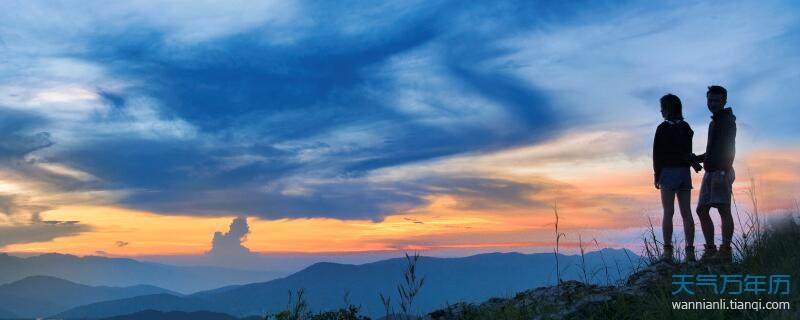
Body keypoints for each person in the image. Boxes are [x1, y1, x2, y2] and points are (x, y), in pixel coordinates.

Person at [693, 85, 737, 263]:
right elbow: (712, 150)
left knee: (723, 208)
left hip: (720, 171)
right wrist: (698, 158)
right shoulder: (715, 122)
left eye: (717, 100)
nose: (713, 103)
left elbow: (728, 148)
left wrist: (723, 169)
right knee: (702, 209)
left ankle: (725, 249)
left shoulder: (727, 121)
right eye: (710, 100)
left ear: (724, 101)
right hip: (711, 171)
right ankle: (711, 249)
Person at [653, 94, 697, 262]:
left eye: (662, 108)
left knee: (668, 212)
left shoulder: (662, 128)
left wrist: (657, 175)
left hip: (668, 173)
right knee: (687, 213)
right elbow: (687, 152)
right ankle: (690, 251)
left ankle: (668, 251)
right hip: (684, 173)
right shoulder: (686, 127)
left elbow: (657, 154)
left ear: (667, 110)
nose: (661, 111)